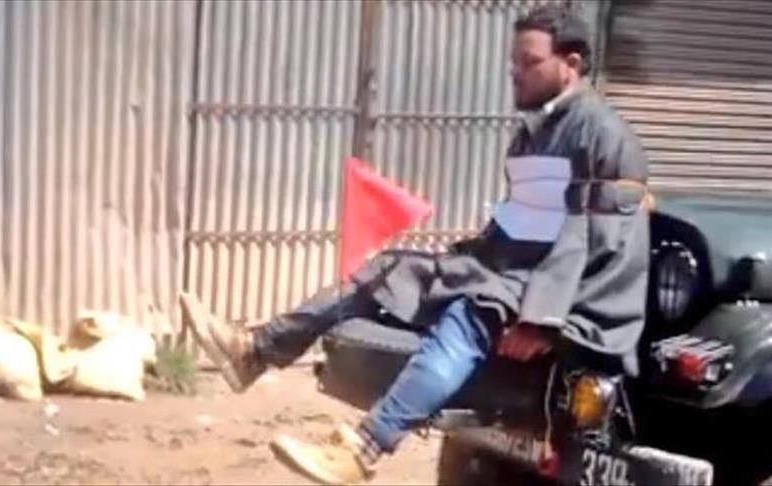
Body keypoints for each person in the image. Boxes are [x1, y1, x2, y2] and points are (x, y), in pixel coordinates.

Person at [180, 5, 650, 485]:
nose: (515, 72)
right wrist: (463, 260)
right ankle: (256, 350)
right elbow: (522, 221)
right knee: (390, 271)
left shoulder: (604, 135)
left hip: (564, 297)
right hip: (511, 273)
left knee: (471, 312)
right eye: (513, 62)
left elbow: (599, 241)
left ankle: (364, 449)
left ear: (571, 63)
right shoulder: (533, 133)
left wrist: (541, 321)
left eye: (529, 62)